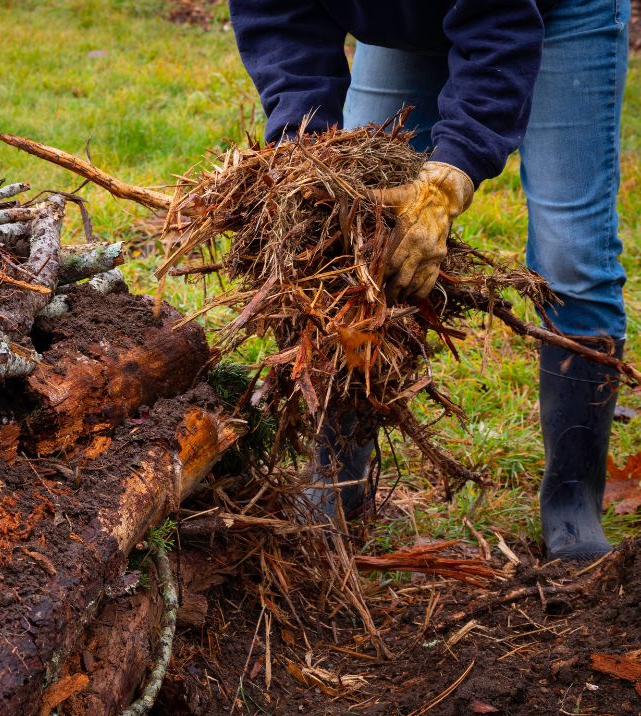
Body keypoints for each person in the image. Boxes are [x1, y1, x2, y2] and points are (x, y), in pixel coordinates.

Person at [228, 0, 631, 562]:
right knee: (356, 233)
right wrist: (308, 144)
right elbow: (277, 17)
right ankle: (335, 488)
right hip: (404, 22)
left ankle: (573, 504)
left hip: (555, 12)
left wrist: (451, 174)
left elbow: (501, 26)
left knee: (570, 256)